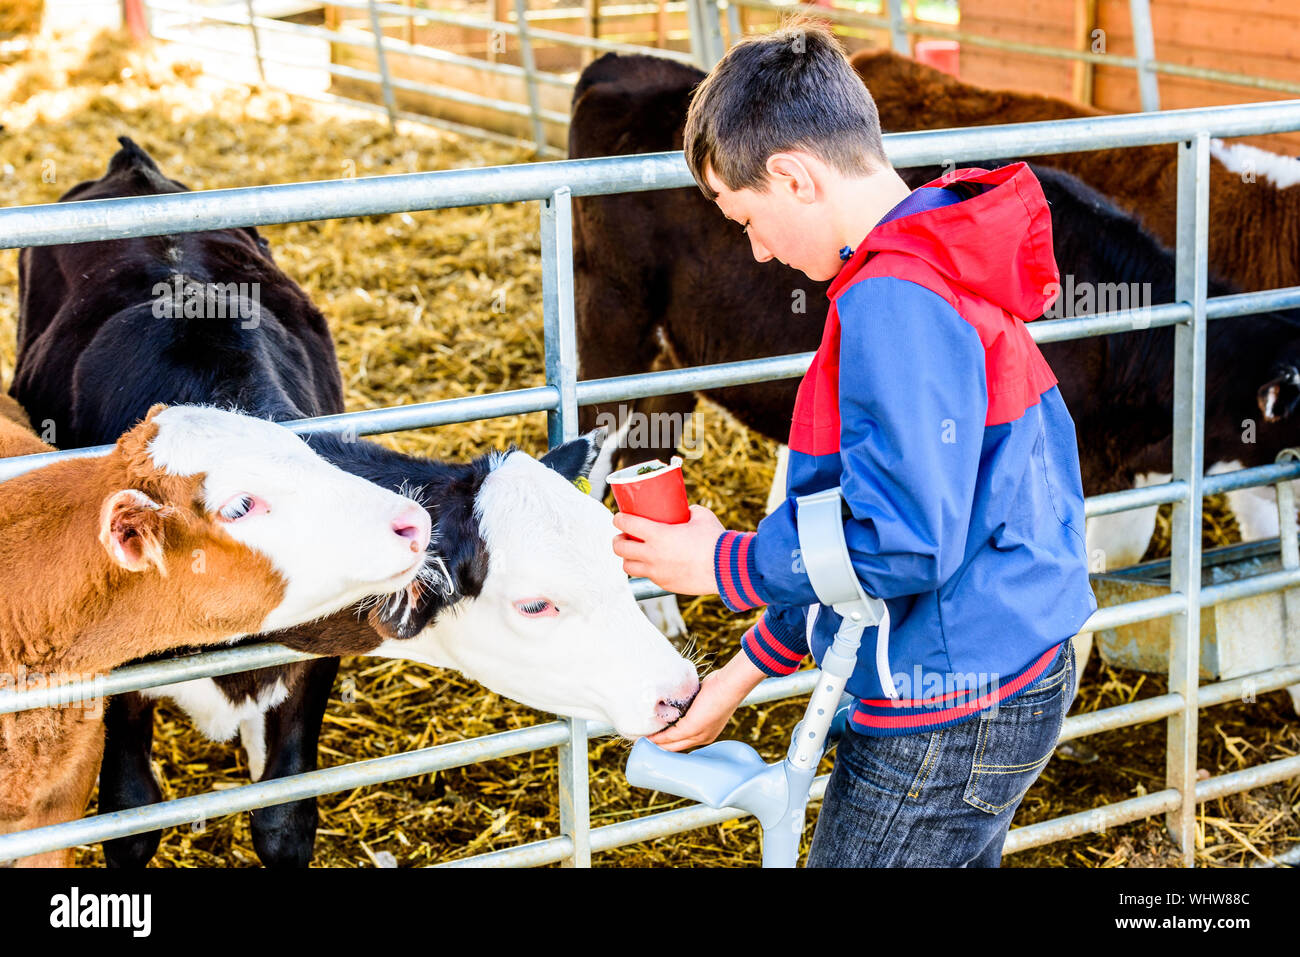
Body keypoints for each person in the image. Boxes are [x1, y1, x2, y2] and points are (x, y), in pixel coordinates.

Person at [611, 20, 1097, 867]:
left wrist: (721, 564)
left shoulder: (892, 298)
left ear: (795, 177)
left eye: (747, 218)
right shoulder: (939, 258)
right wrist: (746, 668)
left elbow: (897, 540)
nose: (757, 249)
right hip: (1004, 661)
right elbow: (885, 515)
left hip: (947, 705)